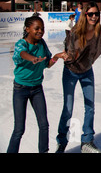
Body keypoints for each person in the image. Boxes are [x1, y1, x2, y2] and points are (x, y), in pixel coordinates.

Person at [56, 1, 101, 153]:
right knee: (68, 108)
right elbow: (70, 51)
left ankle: (87, 140)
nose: (94, 17)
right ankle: (61, 142)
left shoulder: (98, 30)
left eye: (96, 14)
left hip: (87, 70)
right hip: (71, 71)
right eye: (91, 14)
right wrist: (66, 56)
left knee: (90, 107)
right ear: (85, 15)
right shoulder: (76, 32)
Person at [7, 16, 66, 153]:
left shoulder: (42, 44)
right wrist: (32, 58)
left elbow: (47, 64)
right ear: (27, 29)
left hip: (37, 89)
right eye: (37, 28)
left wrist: (56, 57)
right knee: (19, 129)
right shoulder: (22, 44)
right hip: (20, 89)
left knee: (44, 125)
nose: (40, 31)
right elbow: (21, 53)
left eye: (42, 29)